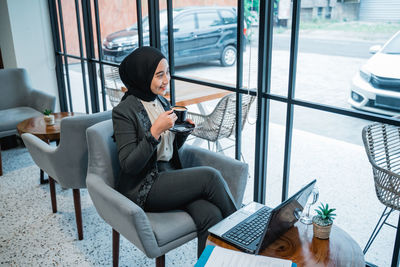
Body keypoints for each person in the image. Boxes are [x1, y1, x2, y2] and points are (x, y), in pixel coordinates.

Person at [112, 46, 238, 257]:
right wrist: (154, 132)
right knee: (210, 177)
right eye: (159, 75)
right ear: (141, 76)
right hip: (144, 185)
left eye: (167, 72)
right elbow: (129, 165)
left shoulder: (161, 101)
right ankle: (246, 237)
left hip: (168, 176)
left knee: (211, 215)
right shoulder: (124, 112)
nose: (166, 80)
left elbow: (168, 150)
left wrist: (182, 134)